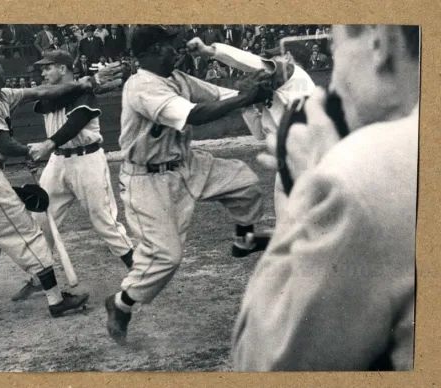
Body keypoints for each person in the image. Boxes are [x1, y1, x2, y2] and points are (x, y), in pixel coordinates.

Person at [232, 24, 419, 371]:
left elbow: (262, 364)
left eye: (334, 45)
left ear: (379, 44)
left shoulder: (357, 178)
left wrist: (318, 181)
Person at [104, 26, 272, 345]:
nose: (174, 49)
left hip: (186, 163)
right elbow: (195, 115)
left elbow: (219, 96)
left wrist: (254, 90)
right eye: (167, 45)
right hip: (147, 179)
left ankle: (244, 240)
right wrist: (244, 96)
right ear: (149, 52)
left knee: (245, 181)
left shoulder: (177, 78)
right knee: (167, 257)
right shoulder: (141, 86)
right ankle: (120, 304)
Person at [0, 50, 119, 324]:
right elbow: (5, 144)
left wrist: (83, 83)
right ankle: (56, 301)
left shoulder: (0, 94)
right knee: (29, 235)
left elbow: (41, 91)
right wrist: (32, 152)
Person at [10, 51, 135, 301]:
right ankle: (38, 279)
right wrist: (88, 83)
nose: (43, 74)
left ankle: (140, 272)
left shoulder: (85, 94)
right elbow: (51, 100)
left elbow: (76, 122)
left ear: (63, 69)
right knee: (39, 219)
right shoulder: (56, 92)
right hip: (58, 162)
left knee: (104, 222)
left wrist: (49, 143)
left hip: (86, 159)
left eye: (48, 69)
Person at [185, 37, 316, 224]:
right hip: (289, 160)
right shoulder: (280, 90)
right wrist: (246, 105)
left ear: (288, 57)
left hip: (304, 157)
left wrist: (210, 51)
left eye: (275, 56)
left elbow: (256, 63)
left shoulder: (296, 75)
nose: (269, 62)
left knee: (302, 228)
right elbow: (260, 134)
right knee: (289, 229)